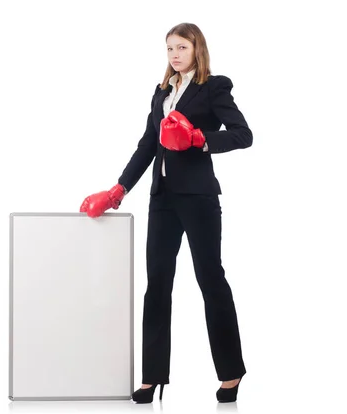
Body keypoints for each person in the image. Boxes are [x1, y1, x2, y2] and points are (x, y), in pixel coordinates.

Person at [79, 22, 252, 404]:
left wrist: (200, 138)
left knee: (211, 279)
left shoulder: (214, 87)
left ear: (197, 50)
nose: (174, 55)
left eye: (181, 48)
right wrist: (118, 189)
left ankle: (231, 372)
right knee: (157, 284)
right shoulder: (162, 93)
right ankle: (152, 375)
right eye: (169, 49)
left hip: (198, 198)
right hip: (162, 199)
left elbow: (243, 134)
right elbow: (147, 144)